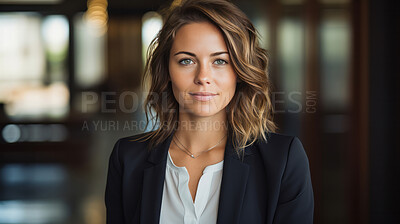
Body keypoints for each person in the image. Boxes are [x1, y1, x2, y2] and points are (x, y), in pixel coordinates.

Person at [105, 0, 314, 223]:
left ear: (240, 71)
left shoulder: (283, 160)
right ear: (166, 70)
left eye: (220, 61)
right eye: (186, 61)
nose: (203, 77)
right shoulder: (127, 158)